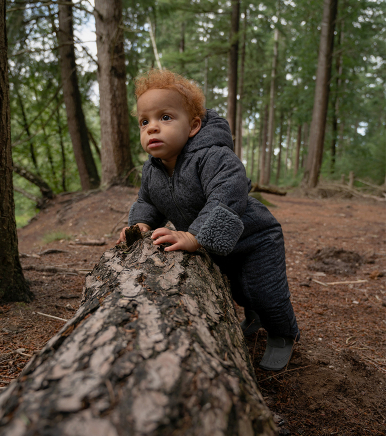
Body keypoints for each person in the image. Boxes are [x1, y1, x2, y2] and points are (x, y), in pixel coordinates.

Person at [118, 69, 299, 371]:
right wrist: (142, 224)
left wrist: (195, 235)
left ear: (193, 126)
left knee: (266, 290)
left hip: (256, 238)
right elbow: (147, 201)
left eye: (165, 117)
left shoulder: (213, 156)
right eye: (144, 121)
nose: (152, 128)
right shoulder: (152, 170)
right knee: (238, 288)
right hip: (215, 244)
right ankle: (253, 317)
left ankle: (283, 334)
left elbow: (227, 195)